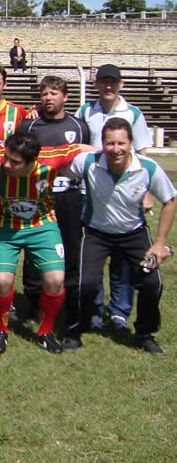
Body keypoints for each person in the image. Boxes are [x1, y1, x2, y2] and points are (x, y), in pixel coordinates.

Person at [62, 118, 176, 354]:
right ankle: (75, 329)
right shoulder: (89, 163)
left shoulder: (148, 168)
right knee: (85, 284)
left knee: (152, 284)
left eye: (121, 143)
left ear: (131, 143)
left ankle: (145, 333)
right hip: (95, 233)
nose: (116, 149)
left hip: (134, 234)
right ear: (101, 144)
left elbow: (170, 200)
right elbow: (53, 164)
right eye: (110, 143)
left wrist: (160, 243)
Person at [0, 133, 85, 354]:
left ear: (31, 160)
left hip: (42, 225)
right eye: (6, 157)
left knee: (56, 279)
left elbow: (80, 148)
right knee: (1, 280)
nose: (6, 164)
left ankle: (45, 332)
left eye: (15, 162)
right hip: (3, 225)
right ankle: (0, 330)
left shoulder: (50, 160)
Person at [76, 64, 153, 331]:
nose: (108, 87)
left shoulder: (132, 113)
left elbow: (143, 154)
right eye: (104, 82)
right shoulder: (86, 111)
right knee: (93, 259)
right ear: (96, 84)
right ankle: (94, 313)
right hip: (91, 191)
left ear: (120, 85)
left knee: (123, 259)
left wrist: (144, 193)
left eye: (113, 82)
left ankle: (120, 311)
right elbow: (75, 142)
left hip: (125, 191)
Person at [16, 76, 89, 324]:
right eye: (44, 93)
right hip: (37, 196)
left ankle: (70, 302)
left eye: (54, 93)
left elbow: (84, 159)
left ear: (65, 97)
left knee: (69, 247)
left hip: (68, 196)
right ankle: (34, 303)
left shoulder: (78, 126)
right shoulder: (29, 126)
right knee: (36, 248)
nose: (48, 98)